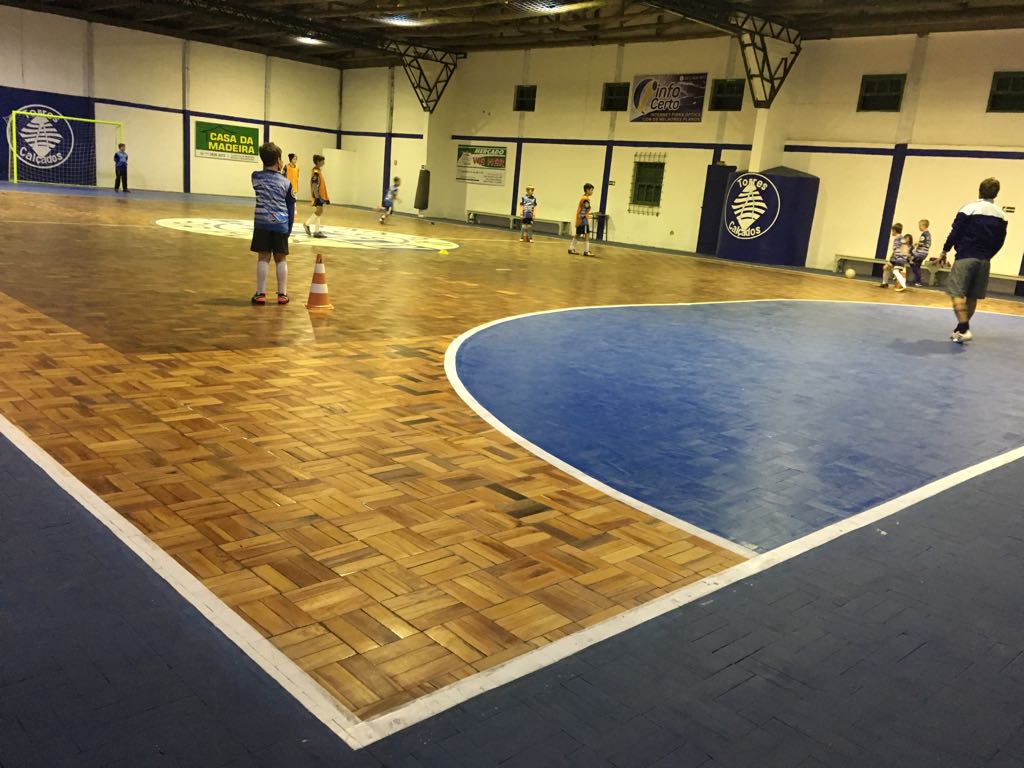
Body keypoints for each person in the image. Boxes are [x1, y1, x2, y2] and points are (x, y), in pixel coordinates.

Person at [941, 177, 1008, 343]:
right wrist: (988, 255)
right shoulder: (1002, 215)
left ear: (979, 190)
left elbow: (955, 231)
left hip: (965, 256)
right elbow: (1000, 241)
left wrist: (945, 249)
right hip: (984, 260)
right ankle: (960, 330)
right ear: (996, 194)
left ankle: (964, 327)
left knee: (956, 292)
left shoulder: (969, 208)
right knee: (972, 296)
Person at [250, 142, 295, 305]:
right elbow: (291, 205)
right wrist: (288, 227)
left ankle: (260, 293)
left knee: (263, 257)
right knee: (281, 258)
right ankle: (282, 294)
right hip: (281, 224)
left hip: (261, 223)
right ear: (278, 160)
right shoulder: (286, 182)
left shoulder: (255, 177)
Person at [303, 154, 329, 239]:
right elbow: (314, 184)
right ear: (318, 162)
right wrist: (317, 196)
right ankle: (306, 224)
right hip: (318, 195)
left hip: (319, 195)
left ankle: (317, 231)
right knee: (319, 211)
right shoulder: (316, 171)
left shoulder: (318, 170)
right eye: (322, 161)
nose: (324, 163)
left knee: (319, 212)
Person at [568, 183, 594, 256]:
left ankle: (571, 248)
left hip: (580, 218)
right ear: (587, 190)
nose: (592, 192)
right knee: (587, 234)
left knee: (578, 234)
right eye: (591, 190)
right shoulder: (585, 199)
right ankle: (586, 251)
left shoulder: (583, 198)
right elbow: (587, 207)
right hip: (583, 219)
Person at [879, 223, 904, 289]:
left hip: (898, 259)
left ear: (895, 230)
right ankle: (885, 283)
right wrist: (891, 257)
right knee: (886, 267)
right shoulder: (898, 238)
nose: (892, 232)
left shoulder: (900, 238)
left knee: (896, 272)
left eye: (892, 231)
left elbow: (903, 248)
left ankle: (900, 285)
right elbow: (896, 249)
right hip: (895, 258)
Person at [909, 219, 931, 287]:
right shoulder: (928, 234)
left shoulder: (924, 234)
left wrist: (916, 244)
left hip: (920, 253)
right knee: (917, 266)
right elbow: (928, 244)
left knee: (911, 261)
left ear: (923, 226)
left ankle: (919, 280)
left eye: (919, 226)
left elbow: (921, 244)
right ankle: (917, 279)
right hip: (925, 253)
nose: (919, 227)